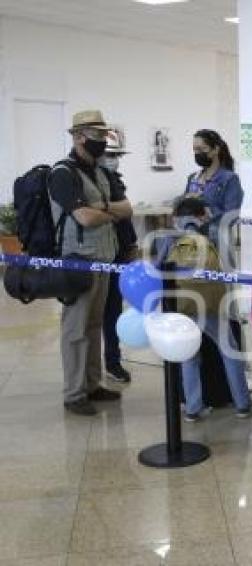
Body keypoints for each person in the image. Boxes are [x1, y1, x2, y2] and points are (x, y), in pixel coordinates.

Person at [48, 110, 133, 416]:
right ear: (79, 136)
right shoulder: (62, 173)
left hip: (104, 260)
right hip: (78, 262)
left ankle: (93, 384)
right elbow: (84, 216)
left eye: (104, 135)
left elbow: (127, 208)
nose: (102, 141)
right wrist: (108, 212)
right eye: (96, 135)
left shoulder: (99, 172)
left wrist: (104, 208)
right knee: (75, 329)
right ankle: (73, 393)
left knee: (95, 324)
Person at [167, 197, 252, 422]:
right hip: (209, 306)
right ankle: (242, 404)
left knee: (188, 356)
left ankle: (192, 408)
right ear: (201, 215)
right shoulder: (213, 236)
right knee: (230, 351)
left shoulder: (170, 239)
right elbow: (226, 271)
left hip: (181, 305)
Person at [99, 126, 138, 384]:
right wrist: (118, 210)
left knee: (114, 309)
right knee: (107, 312)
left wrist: (132, 244)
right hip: (103, 254)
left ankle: (114, 359)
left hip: (121, 252)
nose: (115, 160)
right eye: (111, 155)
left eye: (117, 156)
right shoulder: (95, 181)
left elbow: (126, 216)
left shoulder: (115, 179)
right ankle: (111, 362)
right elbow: (112, 214)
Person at [185, 129, 243, 249]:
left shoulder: (229, 179)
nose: (197, 153)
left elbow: (232, 215)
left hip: (217, 241)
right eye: (195, 150)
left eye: (201, 149)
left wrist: (206, 209)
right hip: (192, 240)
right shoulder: (193, 178)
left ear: (215, 149)